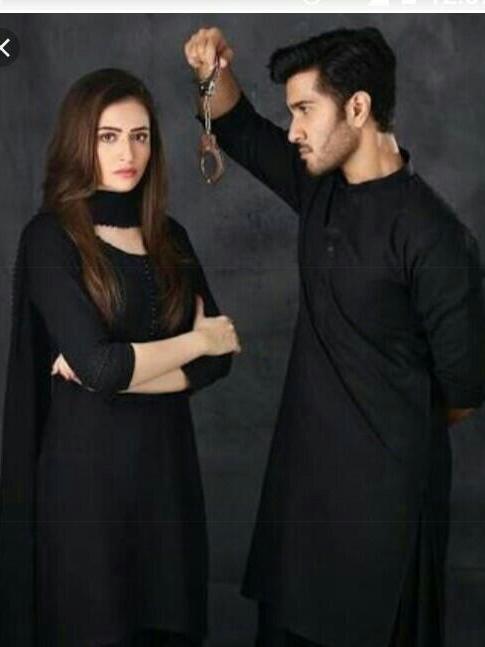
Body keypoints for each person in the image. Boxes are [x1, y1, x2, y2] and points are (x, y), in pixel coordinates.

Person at [184, 26, 485, 647]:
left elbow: (465, 389)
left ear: (358, 107)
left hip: (387, 519)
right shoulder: (317, 184)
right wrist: (211, 71)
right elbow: (238, 127)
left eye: (304, 110)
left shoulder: (436, 237)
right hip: (301, 501)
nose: (293, 130)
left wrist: (382, 421)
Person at [0, 68, 241, 647]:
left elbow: (219, 362)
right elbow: (187, 351)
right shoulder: (49, 238)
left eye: (140, 136)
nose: (127, 153)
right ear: (79, 141)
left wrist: (115, 373)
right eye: (108, 137)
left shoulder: (171, 238)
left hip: (167, 486)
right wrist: (195, 342)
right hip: (86, 493)